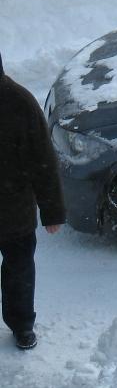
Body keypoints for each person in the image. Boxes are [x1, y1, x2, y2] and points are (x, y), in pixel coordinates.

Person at [0, 52, 65, 350]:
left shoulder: (19, 102)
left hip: (14, 210)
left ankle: (22, 324)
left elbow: (43, 160)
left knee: (20, 271)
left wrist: (52, 210)